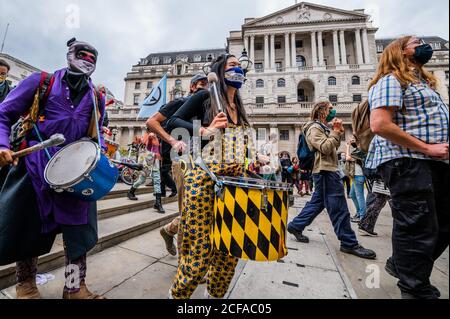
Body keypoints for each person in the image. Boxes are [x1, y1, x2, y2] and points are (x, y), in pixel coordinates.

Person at [0, 38, 107, 299]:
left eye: (92, 58)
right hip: (35, 165)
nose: (87, 61)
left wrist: (99, 156)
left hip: (76, 171)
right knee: (29, 227)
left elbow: (96, 135)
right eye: (82, 55)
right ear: (70, 55)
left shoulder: (97, 97)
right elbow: (3, 113)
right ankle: (26, 285)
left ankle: (74, 288)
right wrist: (2, 144)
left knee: (77, 233)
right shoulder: (41, 82)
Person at [366, 36, 449, 299]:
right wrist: (426, 148)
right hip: (409, 162)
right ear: (400, 52)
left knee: (442, 224)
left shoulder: (423, 82)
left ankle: (402, 265)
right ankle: (415, 289)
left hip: (434, 162)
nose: (424, 45)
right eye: (417, 42)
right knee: (417, 227)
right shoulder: (392, 80)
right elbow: (379, 124)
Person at [166, 54, 254, 299]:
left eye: (240, 66)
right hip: (203, 180)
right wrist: (204, 129)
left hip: (235, 185)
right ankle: (177, 296)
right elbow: (173, 121)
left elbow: (241, 145)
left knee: (230, 249)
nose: (239, 69)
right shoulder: (206, 96)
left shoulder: (240, 107)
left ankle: (215, 297)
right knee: (200, 251)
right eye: (233, 65)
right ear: (220, 71)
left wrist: (256, 158)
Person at [287, 101, 376, 260]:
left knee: (317, 203)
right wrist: (335, 133)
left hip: (326, 170)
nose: (333, 111)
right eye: (330, 109)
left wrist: (337, 133)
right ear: (322, 111)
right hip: (325, 171)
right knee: (339, 207)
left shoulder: (321, 127)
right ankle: (349, 242)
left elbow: (329, 147)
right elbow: (325, 147)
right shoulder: (313, 128)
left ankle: (296, 226)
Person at [147, 74, 208, 256]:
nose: (206, 89)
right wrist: (173, 141)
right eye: (202, 85)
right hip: (182, 161)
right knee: (188, 211)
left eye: (209, 85)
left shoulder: (208, 110)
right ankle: (185, 261)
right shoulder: (180, 103)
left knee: (200, 211)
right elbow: (151, 122)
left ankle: (170, 229)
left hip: (202, 162)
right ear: (192, 88)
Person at [127, 131, 165, 213]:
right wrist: (150, 138)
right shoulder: (148, 135)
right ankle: (131, 191)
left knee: (157, 180)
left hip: (155, 161)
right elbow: (147, 147)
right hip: (148, 161)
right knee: (142, 180)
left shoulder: (158, 136)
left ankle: (158, 203)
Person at [346, 138, 366, 223]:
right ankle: (358, 213)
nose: (353, 141)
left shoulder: (361, 151)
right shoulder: (357, 150)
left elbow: (348, 158)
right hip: (356, 177)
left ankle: (363, 217)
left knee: (359, 196)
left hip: (359, 176)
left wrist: (347, 147)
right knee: (352, 194)